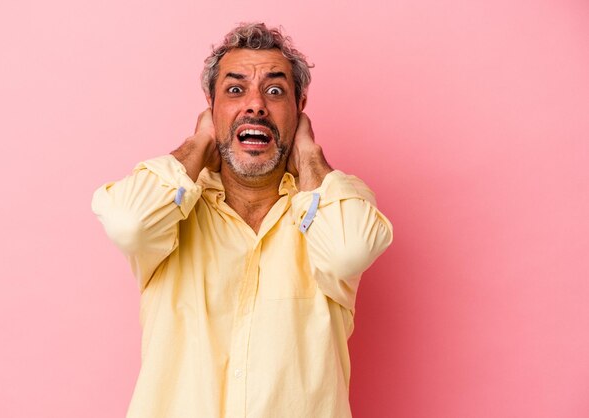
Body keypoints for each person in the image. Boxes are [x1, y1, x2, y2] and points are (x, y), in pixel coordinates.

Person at [92, 22, 393, 418]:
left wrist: (308, 156)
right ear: (210, 107)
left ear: (300, 108)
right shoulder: (168, 211)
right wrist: (198, 144)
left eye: (275, 91)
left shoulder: (334, 203)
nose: (255, 105)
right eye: (235, 90)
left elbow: (350, 250)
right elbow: (128, 222)